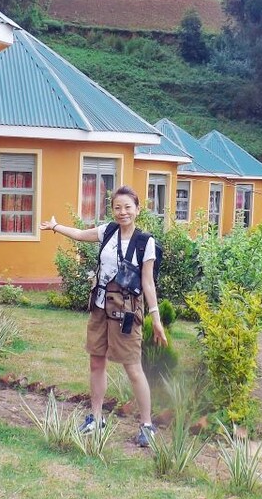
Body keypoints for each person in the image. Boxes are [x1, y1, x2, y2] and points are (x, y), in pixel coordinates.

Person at [40, 186, 167, 447]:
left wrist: (156, 318)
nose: (123, 212)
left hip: (127, 313)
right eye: (118, 207)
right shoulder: (107, 231)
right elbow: (78, 234)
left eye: (128, 207)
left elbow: (148, 283)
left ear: (138, 209)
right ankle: (96, 418)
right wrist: (55, 227)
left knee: (133, 368)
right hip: (100, 308)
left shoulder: (146, 242)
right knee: (96, 363)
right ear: (113, 210)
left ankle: (146, 425)